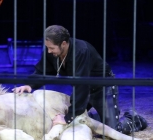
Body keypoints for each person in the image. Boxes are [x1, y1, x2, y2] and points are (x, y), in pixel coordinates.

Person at [12, 25, 147, 134]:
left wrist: (67, 118)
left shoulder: (81, 51)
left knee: (113, 129)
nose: (49, 51)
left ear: (64, 44)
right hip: (83, 88)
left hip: (102, 87)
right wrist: (30, 85)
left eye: (51, 48)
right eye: (47, 47)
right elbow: (43, 71)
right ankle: (98, 117)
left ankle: (134, 118)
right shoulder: (52, 52)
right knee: (75, 120)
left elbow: (82, 85)